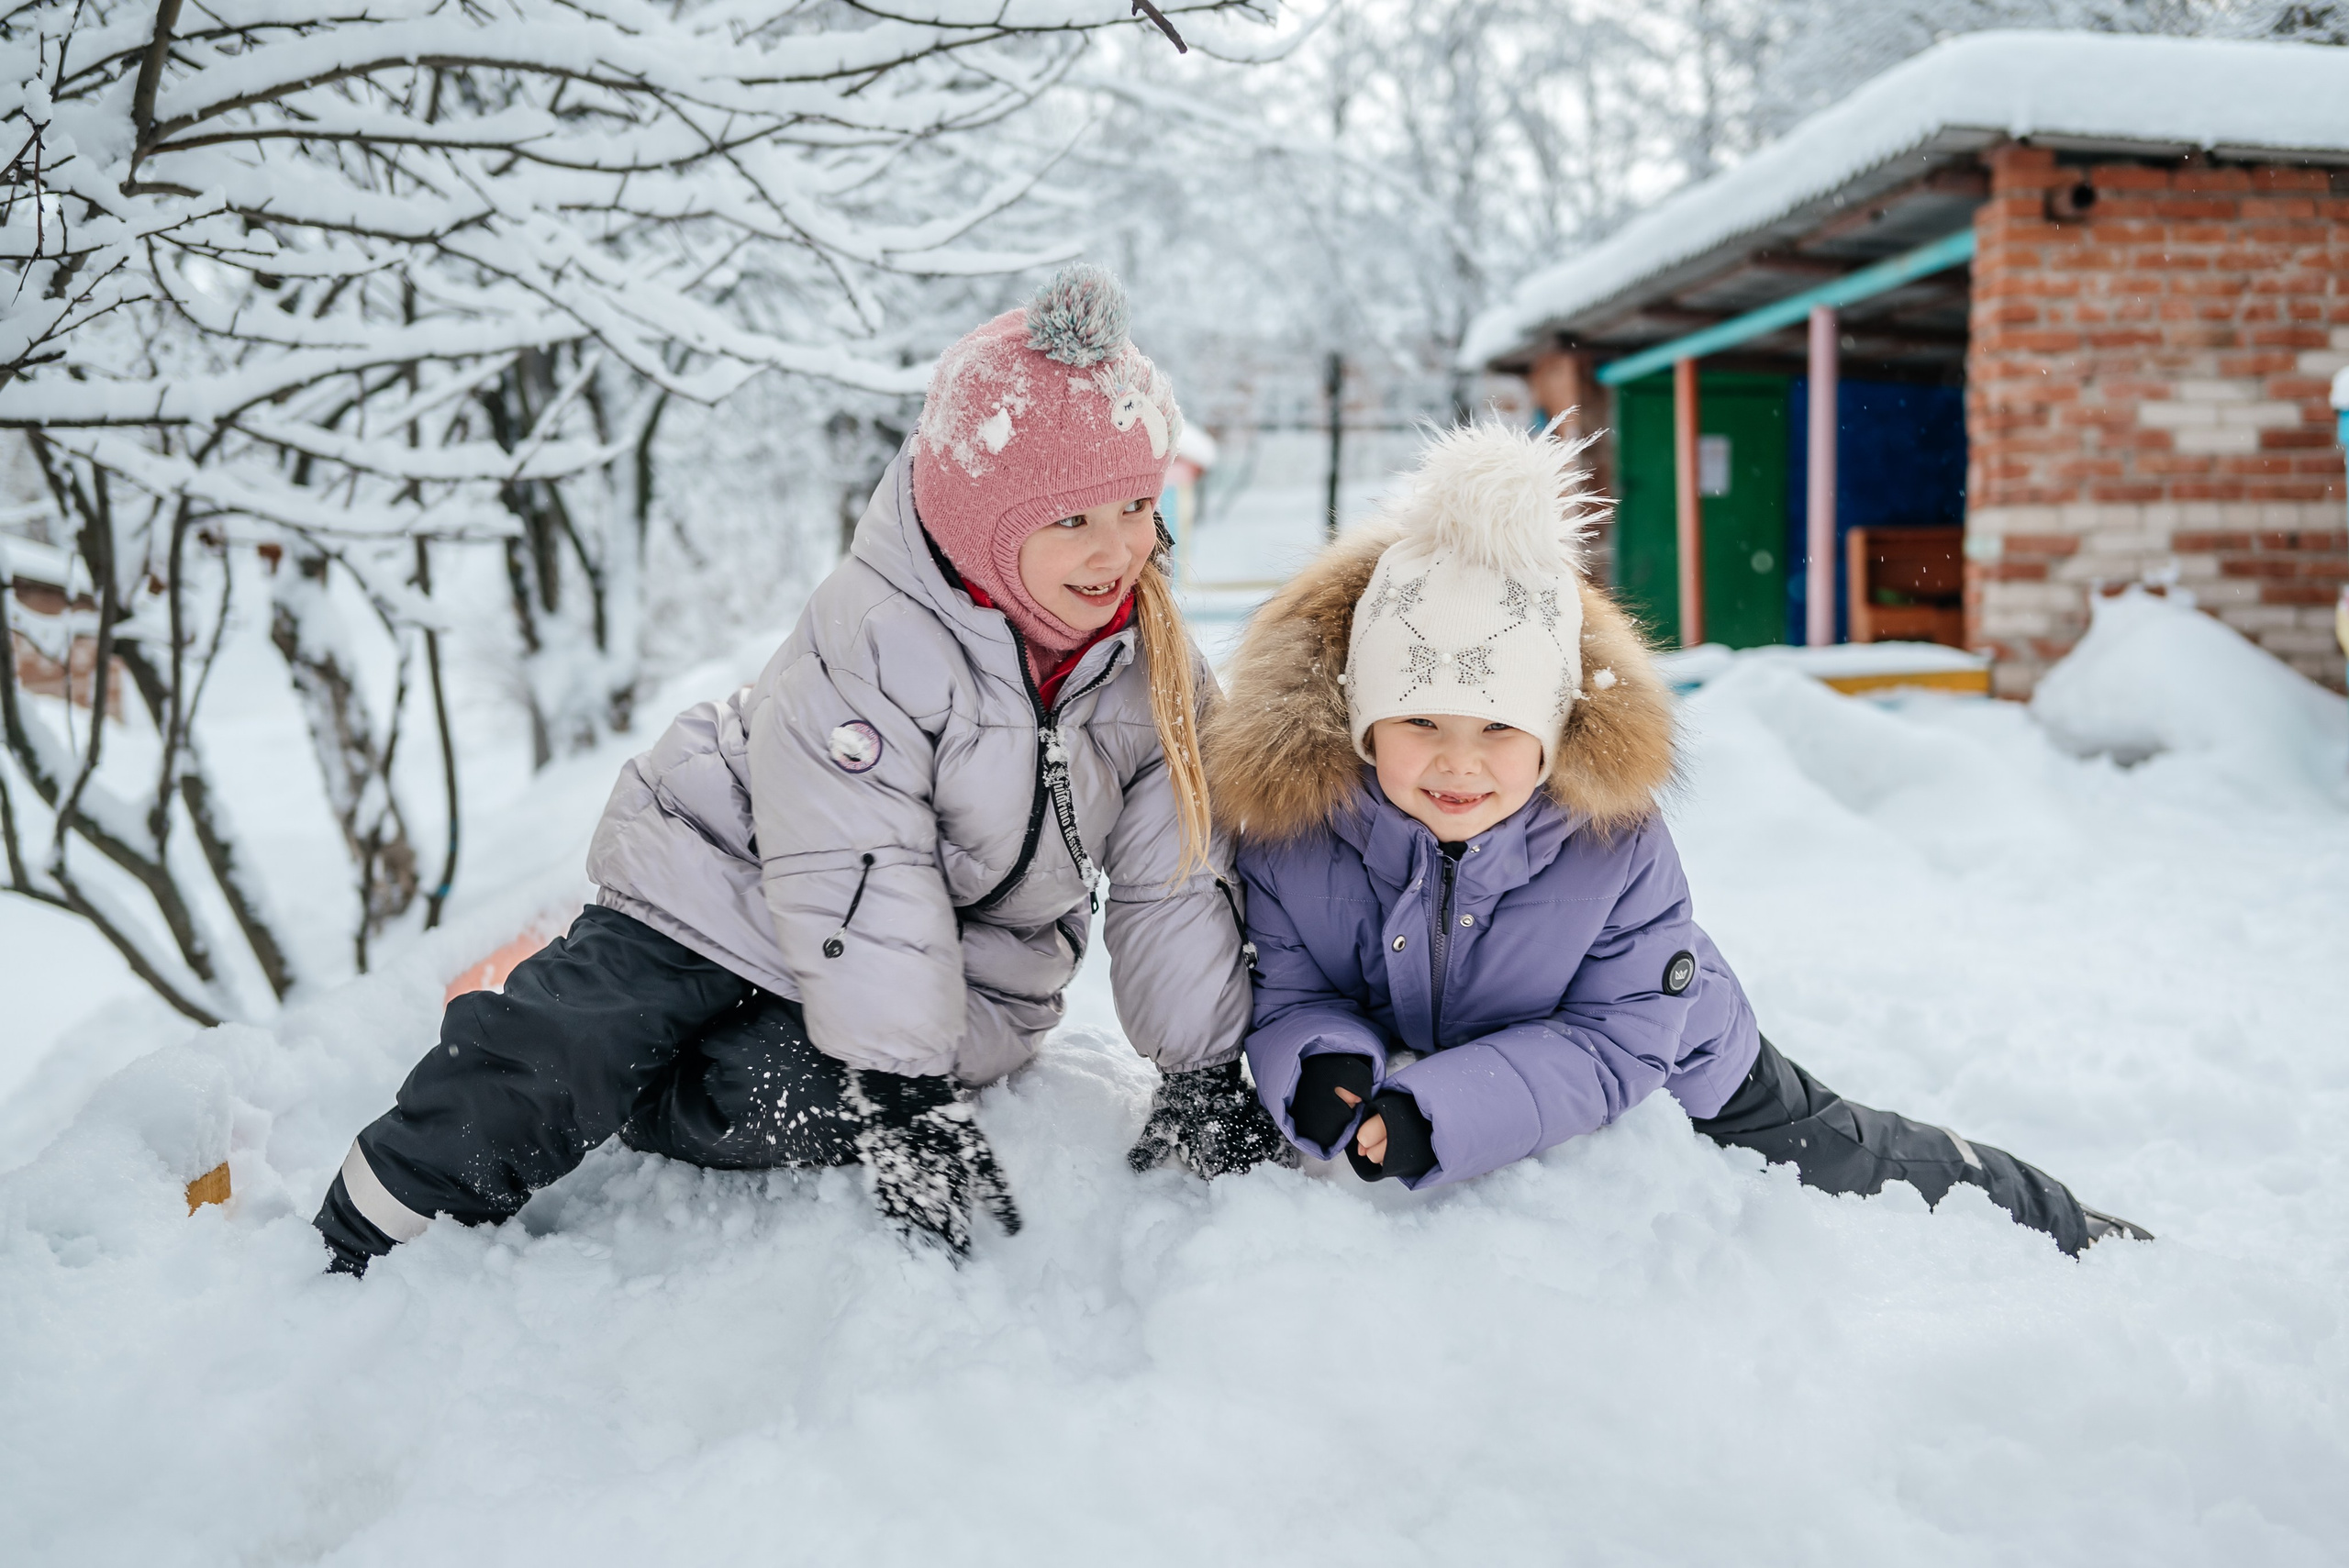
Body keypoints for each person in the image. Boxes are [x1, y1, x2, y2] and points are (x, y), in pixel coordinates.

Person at [315, 265, 1292, 1275]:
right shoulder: (879, 629)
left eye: (1136, 503)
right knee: (575, 1041)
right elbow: (866, 857)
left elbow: (1173, 875)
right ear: (981, 522)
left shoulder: (1153, 673)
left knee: (772, 1091)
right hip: (723, 871)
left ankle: (654, 1098)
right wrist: (903, 1085)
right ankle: (369, 1218)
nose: (1116, 549)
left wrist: (1202, 1065)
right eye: (1071, 521)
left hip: (956, 965)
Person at [1204, 420, 2149, 1256]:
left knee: (1868, 1168)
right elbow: (1296, 991)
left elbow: (1615, 1040)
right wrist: (1322, 1061)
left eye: (1498, 728)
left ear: (1555, 728)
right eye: (1421, 724)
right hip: (1505, 1059)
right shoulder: (1298, 836)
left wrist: (1437, 1111)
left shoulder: (1610, 841)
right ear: (1363, 721)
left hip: (1693, 1066)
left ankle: (2060, 1218)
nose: (1459, 764)